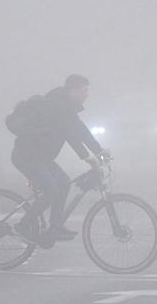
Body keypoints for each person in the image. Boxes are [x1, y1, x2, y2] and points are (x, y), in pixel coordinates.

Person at [9, 73, 105, 247]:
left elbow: (81, 130)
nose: (87, 95)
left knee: (64, 183)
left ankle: (55, 228)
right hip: (27, 155)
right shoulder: (56, 105)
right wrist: (87, 157)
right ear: (72, 91)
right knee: (52, 191)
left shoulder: (67, 107)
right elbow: (70, 134)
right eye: (84, 91)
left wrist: (100, 151)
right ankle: (22, 226)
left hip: (41, 157)